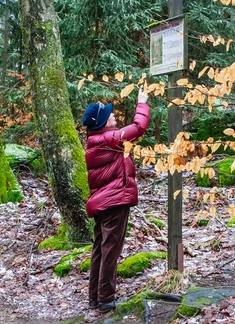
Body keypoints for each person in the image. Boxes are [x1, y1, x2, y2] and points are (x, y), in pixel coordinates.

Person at [81, 88, 150, 312]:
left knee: (100, 250)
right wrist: (142, 103)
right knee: (110, 250)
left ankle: (95, 297)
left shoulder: (98, 140)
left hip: (103, 202)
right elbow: (138, 128)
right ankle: (106, 300)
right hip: (113, 202)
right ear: (102, 122)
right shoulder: (105, 140)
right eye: (109, 115)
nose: (113, 116)